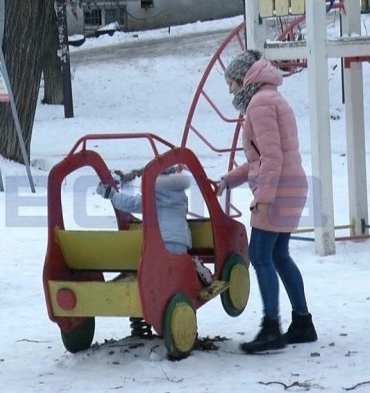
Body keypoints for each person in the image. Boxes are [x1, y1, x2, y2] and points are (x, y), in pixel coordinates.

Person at [217, 50, 317, 353]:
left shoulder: (259, 105)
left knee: (260, 255)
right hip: (290, 185)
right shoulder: (270, 98)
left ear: (243, 78)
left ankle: (271, 327)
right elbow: (263, 159)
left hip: (277, 190)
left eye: (231, 83)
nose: (230, 90)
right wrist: (227, 180)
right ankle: (302, 322)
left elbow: (271, 159)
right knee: (279, 255)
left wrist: (262, 198)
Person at [96, 166, 213, 285]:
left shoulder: (154, 195)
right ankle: (193, 268)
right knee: (175, 271)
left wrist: (112, 195)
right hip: (182, 242)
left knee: (157, 272)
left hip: (162, 241)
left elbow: (130, 203)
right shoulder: (180, 196)